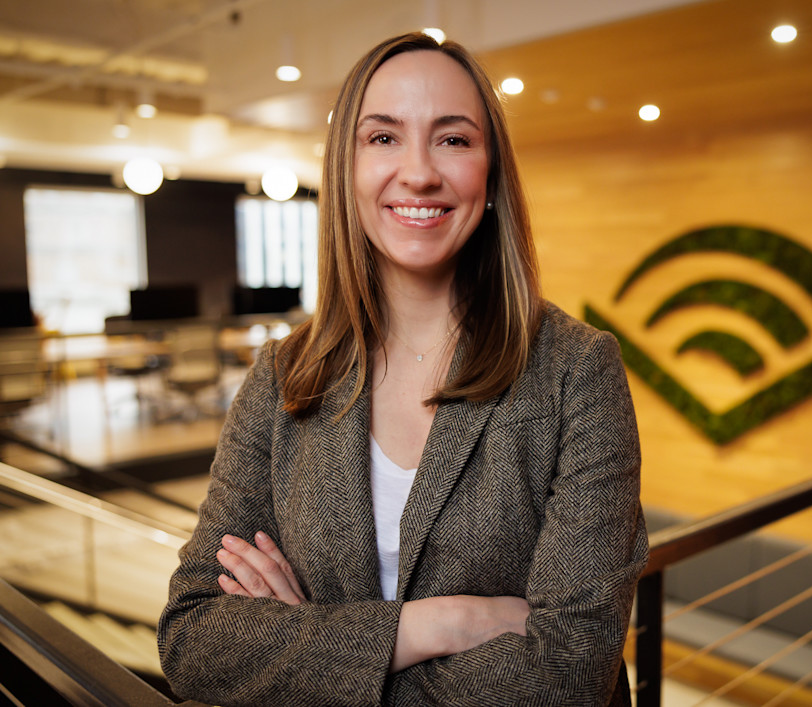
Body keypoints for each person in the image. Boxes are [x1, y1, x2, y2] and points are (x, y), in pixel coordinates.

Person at [158, 31, 647, 707]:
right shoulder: (283, 375)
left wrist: (311, 651)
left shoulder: (576, 372)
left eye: (453, 139)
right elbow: (194, 639)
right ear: (347, 170)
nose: (418, 171)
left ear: (492, 174)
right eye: (383, 138)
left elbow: (567, 673)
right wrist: (445, 622)